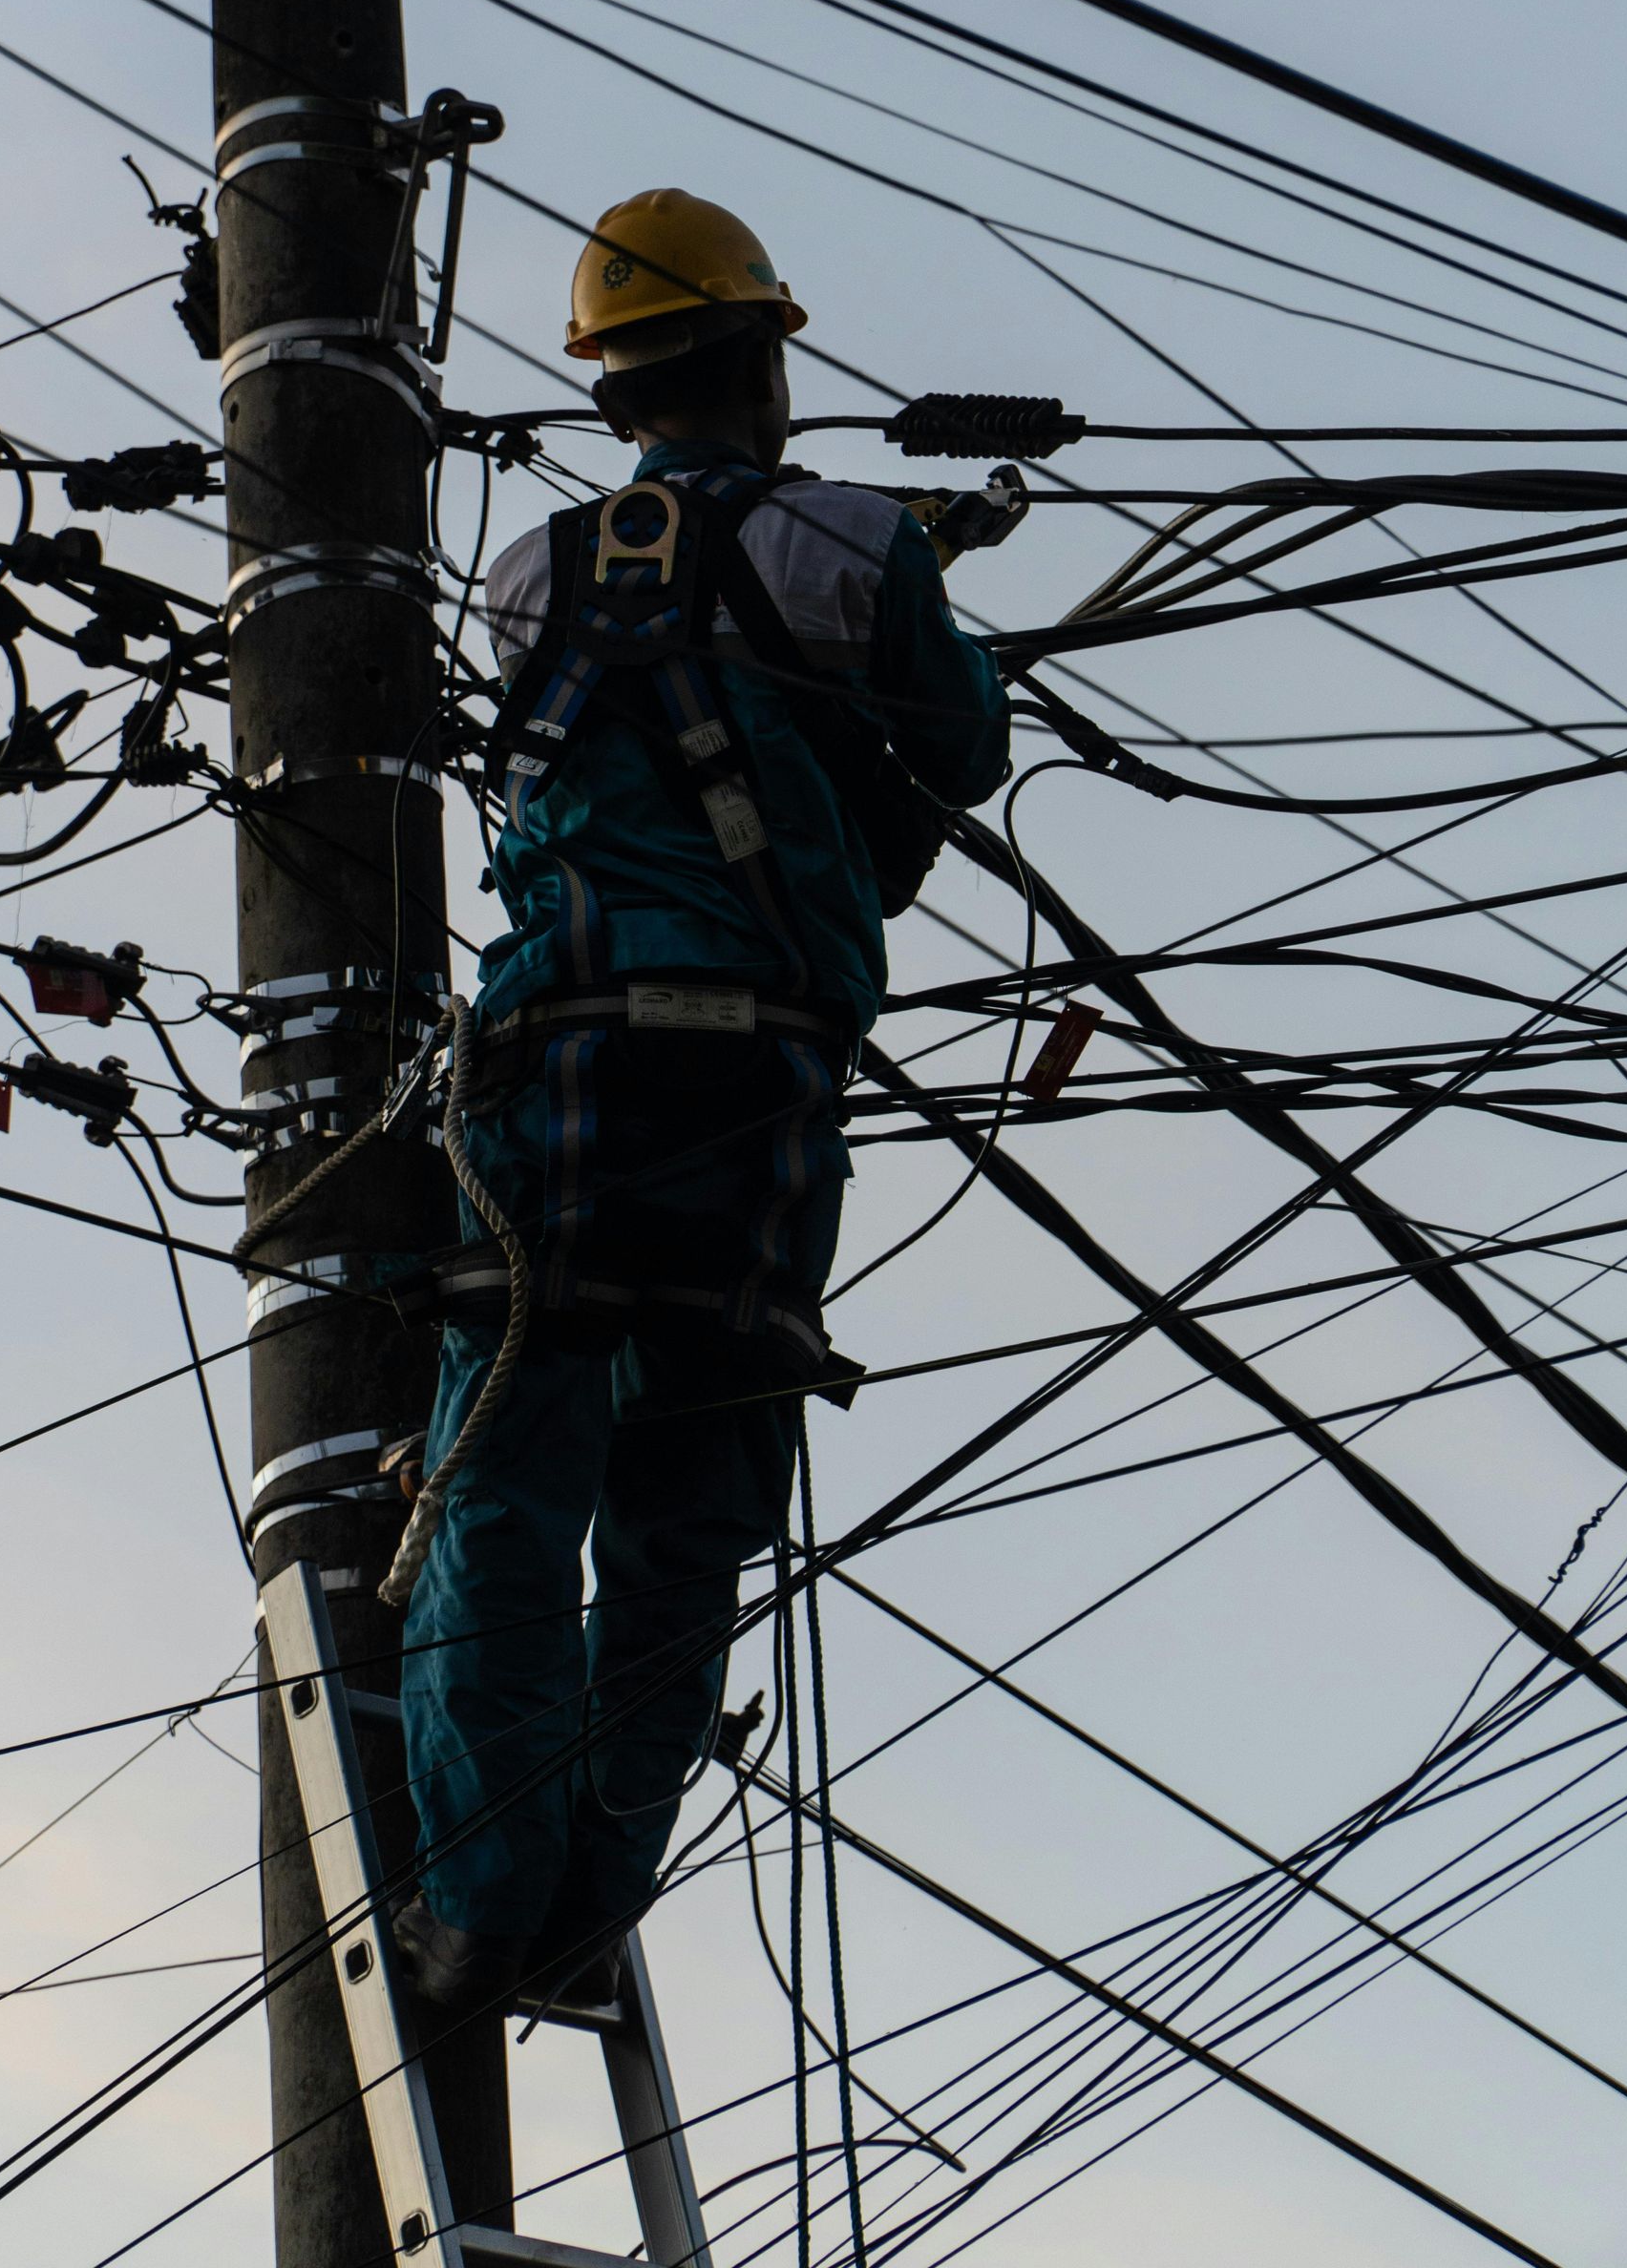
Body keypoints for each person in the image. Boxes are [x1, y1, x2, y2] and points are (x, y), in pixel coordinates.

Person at [394, 189, 1010, 2010]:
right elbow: (962, 751)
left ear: (608, 396)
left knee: (504, 1473)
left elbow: (583, 740)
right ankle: (593, 1895)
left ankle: (474, 1899)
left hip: (557, 1066)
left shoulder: (527, 578)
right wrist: (905, 618)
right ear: (768, 357)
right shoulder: (861, 550)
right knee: (691, 1501)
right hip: (760, 1093)